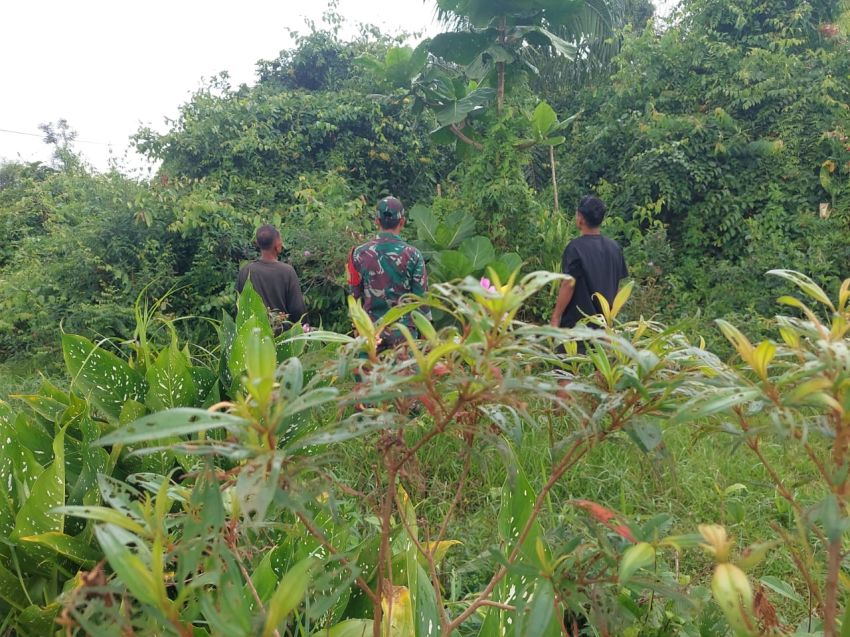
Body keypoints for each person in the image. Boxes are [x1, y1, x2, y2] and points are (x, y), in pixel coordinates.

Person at [347, 196, 428, 349]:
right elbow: (421, 302)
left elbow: (354, 299)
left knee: (370, 373)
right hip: (404, 339)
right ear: (402, 222)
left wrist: (356, 329)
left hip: (370, 336)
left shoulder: (358, 254)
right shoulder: (414, 255)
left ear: (377, 221)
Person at [550, 195, 628, 331]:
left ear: (580, 219)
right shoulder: (614, 248)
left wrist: (556, 316)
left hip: (577, 328)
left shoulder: (574, 248)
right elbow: (618, 287)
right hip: (605, 327)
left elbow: (568, 285)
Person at [236, 224, 307, 331]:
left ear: (258, 243)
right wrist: (304, 328)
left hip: (253, 336)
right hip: (282, 335)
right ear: (277, 245)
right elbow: (297, 309)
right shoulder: (287, 272)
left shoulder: (246, 271)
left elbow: (239, 306)